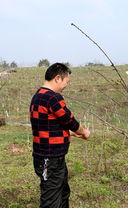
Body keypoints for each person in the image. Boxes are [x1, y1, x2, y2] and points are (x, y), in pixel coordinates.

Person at [30, 63, 90, 207]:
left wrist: (69, 134)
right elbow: (70, 121)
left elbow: (45, 126)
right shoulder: (53, 98)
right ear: (57, 78)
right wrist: (83, 132)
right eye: (66, 82)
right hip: (50, 159)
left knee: (63, 193)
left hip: (51, 158)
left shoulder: (38, 96)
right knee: (51, 200)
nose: (66, 85)